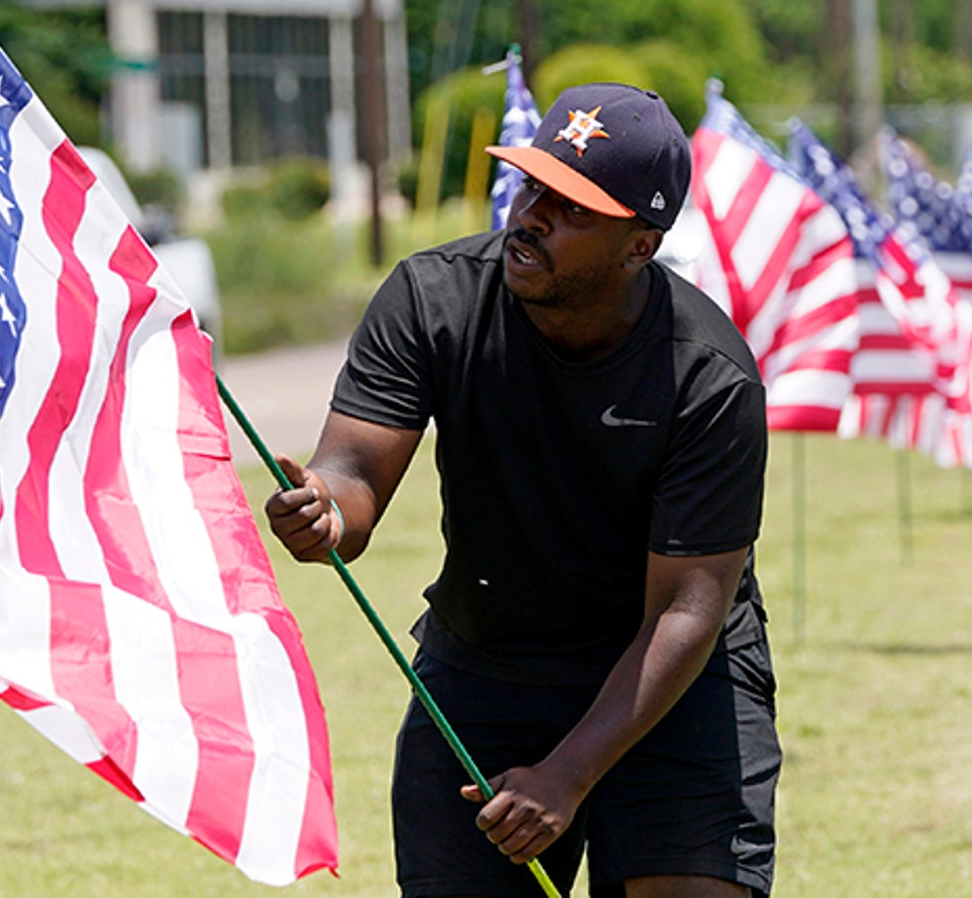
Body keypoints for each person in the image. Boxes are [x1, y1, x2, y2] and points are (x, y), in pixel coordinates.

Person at [265, 83, 778, 898]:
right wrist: (326, 507)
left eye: (573, 207)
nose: (533, 215)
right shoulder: (433, 300)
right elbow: (354, 476)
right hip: (488, 667)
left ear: (640, 246)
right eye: (533, 185)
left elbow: (687, 608)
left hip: (667, 681)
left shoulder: (706, 376)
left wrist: (568, 774)